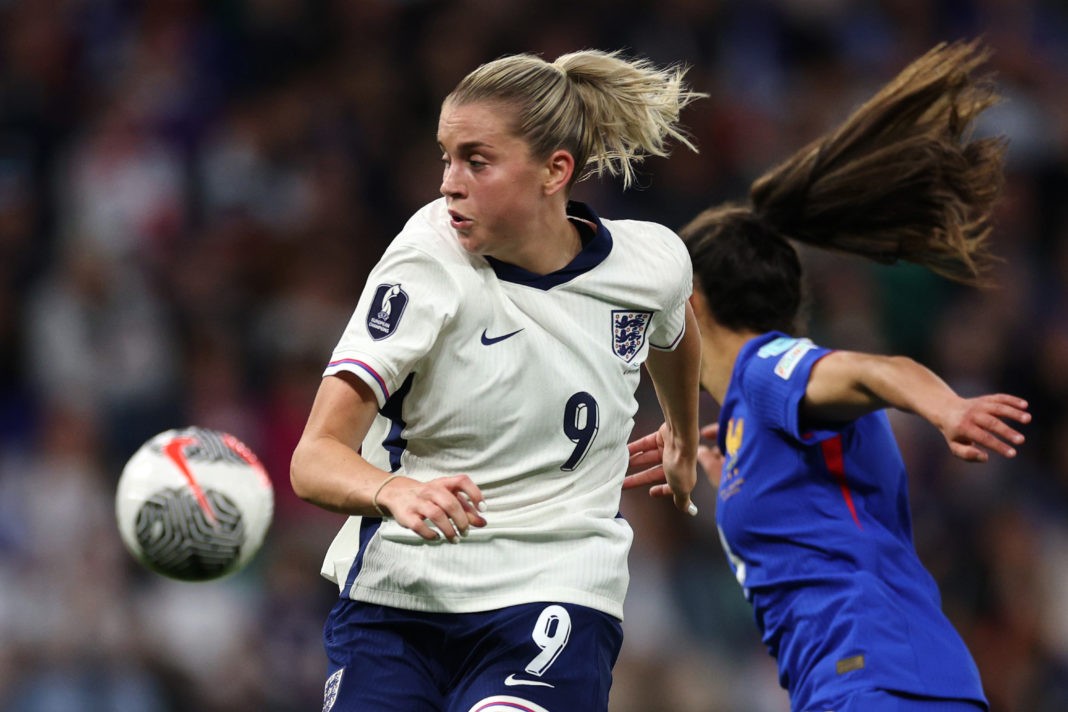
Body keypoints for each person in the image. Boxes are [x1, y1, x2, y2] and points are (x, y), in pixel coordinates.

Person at [290, 49, 705, 712]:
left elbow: (675, 326)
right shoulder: (425, 263)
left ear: (554, 171)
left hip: (554, 592)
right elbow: (314, 459)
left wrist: (681, 433)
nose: (450, 183)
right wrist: (391, 490)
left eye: (476, 161)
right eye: (445, 157)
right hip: (399, 603)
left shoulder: (647, 262)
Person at [624, 40, 1031, 712]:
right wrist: (727, 465)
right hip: (865, 683)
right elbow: (812, 516)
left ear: (687, 299)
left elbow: (875, 370)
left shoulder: (767, 366)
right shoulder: (752, 420)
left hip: (879, 681)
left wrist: (945, 409)